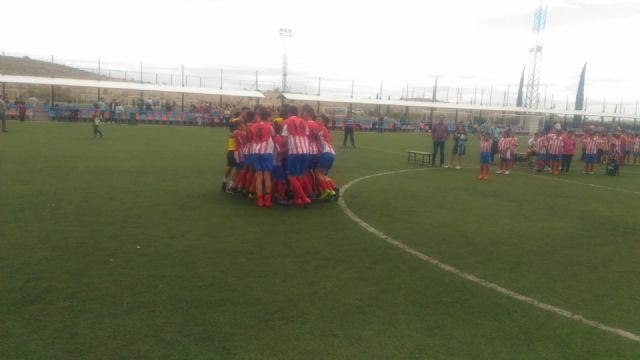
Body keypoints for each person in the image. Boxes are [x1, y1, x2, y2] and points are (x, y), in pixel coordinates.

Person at [282, 106, 311, 207]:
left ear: (289, 113)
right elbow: (306, 135)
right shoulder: (303, 121)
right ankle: (297, 198)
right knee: (300, 175)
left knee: (291, 177)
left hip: (295, 152)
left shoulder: (287, 121)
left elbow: (284, 140)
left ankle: (303, 198)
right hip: (306, 150)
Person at [252, 109, 275, 207]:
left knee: (259, 176)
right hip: (266, 152)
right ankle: (268, 200)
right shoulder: (269, 127)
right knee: (267, 176)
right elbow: (273, 135)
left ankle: (260, 200)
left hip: (256, 152)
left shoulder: (254, 126)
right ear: (268, 117)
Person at [317, 114, 338, 200]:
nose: (318, 121)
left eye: (319, 119)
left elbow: (312, 132)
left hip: (327, 153)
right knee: (322, 174)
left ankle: (329, 190)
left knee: (318, 173)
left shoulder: (321, 129)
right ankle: (331, 191)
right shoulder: (325, 130)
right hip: (330, 153)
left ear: (323, 122)